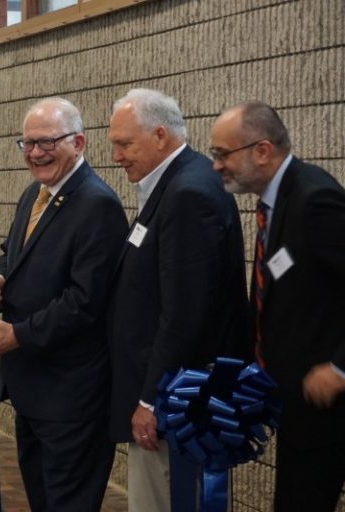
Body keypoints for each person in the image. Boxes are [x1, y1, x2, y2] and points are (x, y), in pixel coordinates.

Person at [0, 97, 128, 512]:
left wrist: (17, 335)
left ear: (78, 143)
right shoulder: (34, 194)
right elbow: (13, 252)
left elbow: (84, 302)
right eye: (27, 143)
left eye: (47, 142)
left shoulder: (98, 205)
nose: (36, 152)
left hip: (72, 396)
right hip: (32, 390)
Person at [106, 88, 248, 512]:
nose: (116, 156)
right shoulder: (176, 183)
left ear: (161, 135)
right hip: (168, 392)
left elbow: (185, 312)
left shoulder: (188, 193)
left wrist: (150, 400)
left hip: (178, 402)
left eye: (124, 144)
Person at [210, 101, 345, 512]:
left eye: (222, 154)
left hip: (328, 409)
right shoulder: (275, 201)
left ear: (262, 150)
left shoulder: (315, 198)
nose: (215, 166)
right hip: (294, 403)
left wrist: (339, 366)